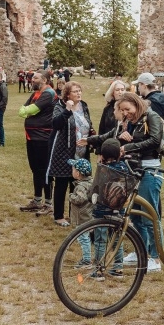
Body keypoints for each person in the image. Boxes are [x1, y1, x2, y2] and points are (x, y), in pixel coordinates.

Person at [89, 91, 164, 271]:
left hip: (149, 169)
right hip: (134, 169)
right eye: (122, 110)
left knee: (150, 215)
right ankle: (142, 252)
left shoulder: (151, 116)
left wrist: (129, 146)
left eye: (127, 109)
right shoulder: (131, 122)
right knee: (136, 215)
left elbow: (155, 140)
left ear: (136, 103)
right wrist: (92, 140)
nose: (125, 113)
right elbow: (113, 135)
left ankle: (155, 257)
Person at [47, 81, 93, 227]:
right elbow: (55, 124)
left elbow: (88, 123)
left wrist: (91, 134)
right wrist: (67, 110)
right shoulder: (59, 106)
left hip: (81, 150)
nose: (78, 93)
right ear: (67, 94)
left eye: (80, 90)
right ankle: (58, 215)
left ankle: (74, 215)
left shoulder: (84, 106)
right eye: (75, 91)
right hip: (64, 151)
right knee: (62, 182)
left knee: (78, 183)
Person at [19, 71, 57, 213]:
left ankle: (48, 203)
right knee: (35, 169)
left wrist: (29, 111)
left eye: (35, 78)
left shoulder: (48, 93)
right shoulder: (35, 94)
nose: (32, 79)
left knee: (44, 170)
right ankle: (37, 200)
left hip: (43, 138)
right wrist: (28, 111)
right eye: (32, 77)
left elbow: (32, 109)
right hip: (32, 136)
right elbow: (22, 110)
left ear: (45, 80)